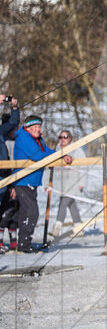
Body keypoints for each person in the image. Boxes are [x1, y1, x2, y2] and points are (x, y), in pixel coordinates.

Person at [12, 115, 73, 252]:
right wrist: (57, 156)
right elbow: (37, 156)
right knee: (31, 212)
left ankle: (23, 243)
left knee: (26, 212)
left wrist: (62, 155)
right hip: (23, 180)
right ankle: (24, 245)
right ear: (27, 128)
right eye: (34, 127)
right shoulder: (23, 138)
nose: (37, 129)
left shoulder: (38, 139)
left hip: (32, 180)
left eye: (39, 127)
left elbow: (46, 152)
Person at [0, 95, 21, 251]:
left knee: (5, 206)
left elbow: (13, 123)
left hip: (2, 173)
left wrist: (14, 108)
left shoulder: (2, 131)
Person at [54, 130, 86, 229]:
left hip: (73, 182)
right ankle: (78, 226)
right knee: (71, 204)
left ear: (70, 138)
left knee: (63, 202)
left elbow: (84, 167)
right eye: (60, 137)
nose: (62, 139)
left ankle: (57, 226)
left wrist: (82, 183)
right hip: (61, 182)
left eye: (65, 137)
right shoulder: (57, 149)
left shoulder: (77, 150)